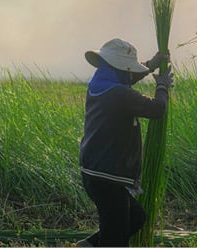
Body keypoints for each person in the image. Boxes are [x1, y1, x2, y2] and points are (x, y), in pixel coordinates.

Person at [77, 38, 172, 247]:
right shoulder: (120, 94)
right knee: (116, 241)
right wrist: (163, 86)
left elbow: (126, 79)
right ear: (122, 69)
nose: (131, 74)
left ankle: (90, 245)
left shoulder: (99, 85)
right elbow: (156, 109)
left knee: (136, 217)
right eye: (129, 69)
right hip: (108, 179)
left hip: (94, 172)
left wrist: (150, 65)